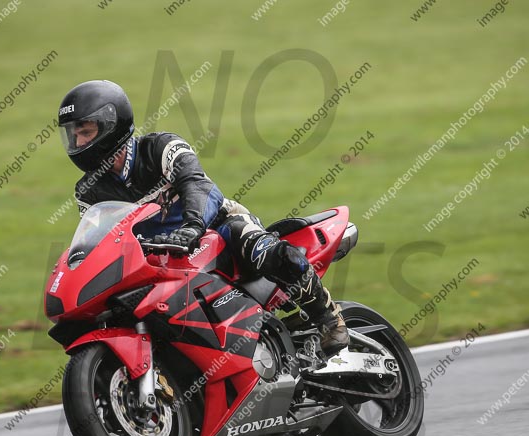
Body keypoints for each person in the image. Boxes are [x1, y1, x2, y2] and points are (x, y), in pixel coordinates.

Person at [57, 80, 348, 356]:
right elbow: (100, 239)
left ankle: (329, 319)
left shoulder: (162, 148)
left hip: (216, 227)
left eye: (86, 132)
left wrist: (193, 225)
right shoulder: (88, 190)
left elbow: (198, 185)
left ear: (112, 125)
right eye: (73, 135)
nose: (78, 142)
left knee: (263, 249)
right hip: (159, 257)